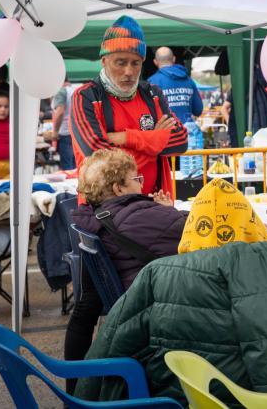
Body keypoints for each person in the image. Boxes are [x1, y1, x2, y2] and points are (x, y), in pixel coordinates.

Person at [65, 148, 186, 395]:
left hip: (130, 301)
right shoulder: (138, 215)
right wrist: (168, 211)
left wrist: (161, 211)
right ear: (119, 189)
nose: (142, 184)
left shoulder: (94, 216)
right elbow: (196, 229)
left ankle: (74, 395)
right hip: (157, 303)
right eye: (137, 179)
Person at [70, 15, 187, 199]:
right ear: (104, 60)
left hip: (155, 203)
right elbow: (99, 160)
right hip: (106, 212)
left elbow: (180, 140)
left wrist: (126, 137)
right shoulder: (86, 97)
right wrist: (154, 143)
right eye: (121, 62)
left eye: (136, 63)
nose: (129, 72)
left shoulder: (152, 94)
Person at [147, 47, 204, 124]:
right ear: (173, 59)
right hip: (187, 132)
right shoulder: (189, 81)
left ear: (155, 62)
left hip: (166, 132)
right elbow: (198, 110)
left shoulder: (152, 82)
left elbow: (148, 113)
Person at [50, 77, 76, 170]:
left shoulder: (61, 92)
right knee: (75, 165)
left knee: (67, 166)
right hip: (76, 132)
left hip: (64, 133)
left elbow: (60, 112)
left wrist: (55, 132)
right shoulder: (75, 90)